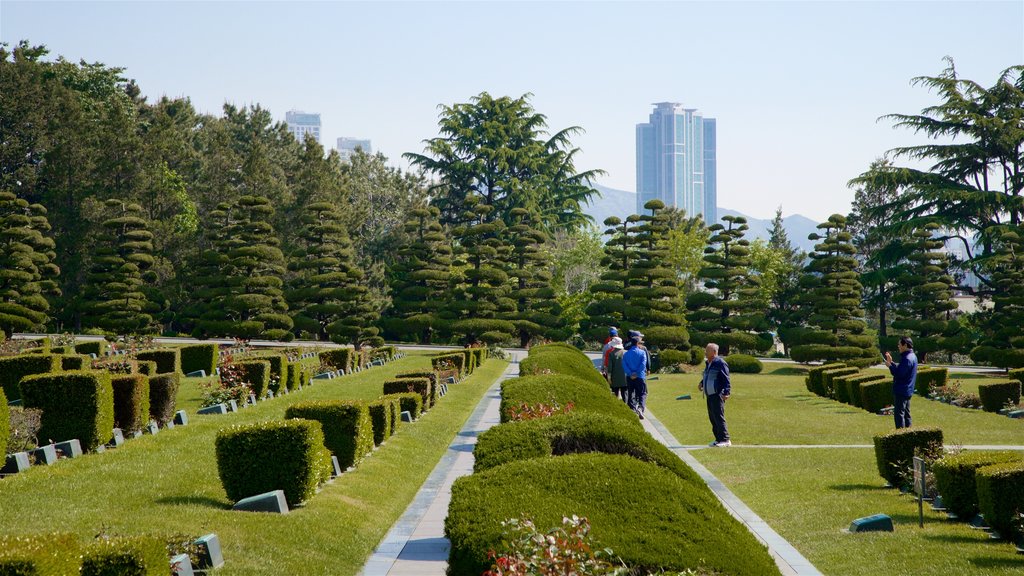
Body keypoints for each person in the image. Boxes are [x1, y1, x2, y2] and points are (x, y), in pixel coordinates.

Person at [699, 343, 731, 447]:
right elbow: (707, 375)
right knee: (712, 418)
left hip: (717, 395)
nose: (705, 352)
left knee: (719, 417)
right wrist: (701, 383)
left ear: (714, 352)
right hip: (710, 395)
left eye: (707, 350)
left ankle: (725, 440)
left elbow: (726, 379)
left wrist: (726, 392)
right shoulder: (708, 363)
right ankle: (718, 439)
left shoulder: (720, 363)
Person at [885, 336, 918, 429]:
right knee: (906, 414)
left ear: (905, 345)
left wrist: (890, 366)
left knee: (899, 415)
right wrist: (892, 363)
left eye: (900, 344)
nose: (898, 346)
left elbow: (899, 374)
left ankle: (900, 436)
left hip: (901, 390)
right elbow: (902, 369)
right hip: (907, 390)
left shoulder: (907, 358)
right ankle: (909, 433)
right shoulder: (912, 356)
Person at [622, 334, 651, 419]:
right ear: (637, 343)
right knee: (642, 393)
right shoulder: (642, 352)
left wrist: (631, 373)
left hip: (630, 377)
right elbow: (643, 365)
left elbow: (624, 365)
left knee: (631, 393)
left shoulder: (626, 354)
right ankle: (641, 408)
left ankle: (632, 409)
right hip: (640, 376)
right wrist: (637, 373)